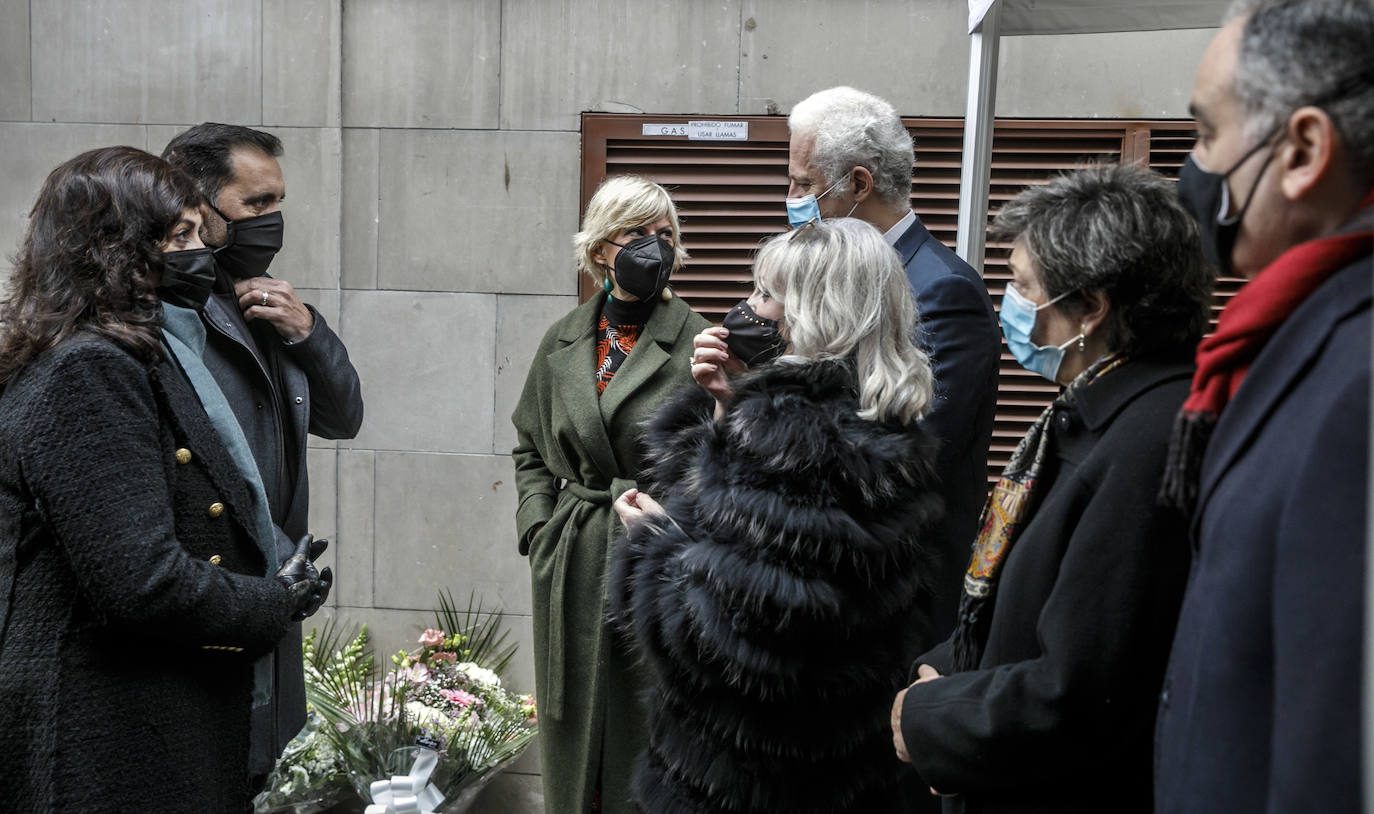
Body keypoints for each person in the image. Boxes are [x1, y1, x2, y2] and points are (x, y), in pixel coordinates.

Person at [0, 146, 329, 812]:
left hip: (150, 710)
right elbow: (139, 581)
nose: (200, 251)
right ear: (115, 249)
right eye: (177, 237)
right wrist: (272, 601)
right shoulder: (88, 369)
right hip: (105, 727)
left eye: (195, 232)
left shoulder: (128, 351)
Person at [891, 164, 1213, 813]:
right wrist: (945, 668)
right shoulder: (1096, 410)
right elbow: (1013, 601)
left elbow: (1088, 684)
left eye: (1022, 285)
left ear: (1092, 308)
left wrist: (932, 719)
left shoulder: (1150, 443)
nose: (1010, 303)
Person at [609, 218, 943, 813]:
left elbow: (712, 640)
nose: (747, 309)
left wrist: (647, 542)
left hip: (747, 780)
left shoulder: (796, 445)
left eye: (765, 295)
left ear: (813, 315)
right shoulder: (883, 427)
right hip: (842, 771)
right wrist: (726, 408)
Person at [1154, 2, 1374, 811]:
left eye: (1208, 134)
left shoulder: (1359, 379)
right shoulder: (1297, 329)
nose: (1196, 165)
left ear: (1304, 150)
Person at [161, 122, 364, 779]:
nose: (272, 220)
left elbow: (345, 417)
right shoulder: (170, 313)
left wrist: (307, 332)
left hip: (270, 582)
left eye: (278, 202)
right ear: (200, 206)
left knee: (262, 766)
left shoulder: (270, 303)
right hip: (212, 583)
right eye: (256, 205)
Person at [511, 175, 709, 813]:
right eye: (637, 235)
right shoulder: (563, 339)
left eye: (665, 235)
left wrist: (671, 531)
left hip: (652, 556)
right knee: (573, 735)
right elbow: (530, 448)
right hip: (572, 555)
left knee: (641, 728)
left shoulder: (699, 342)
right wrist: (539, 525)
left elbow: (719, 462)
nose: (655, 247)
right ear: (601, 250)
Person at [785, 86, 1001, 654]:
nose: (790, 199)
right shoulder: (830, 279)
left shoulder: (940, 289)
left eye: (803, 184)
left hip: (901, 608)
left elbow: (912, 455)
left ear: (858, 184)